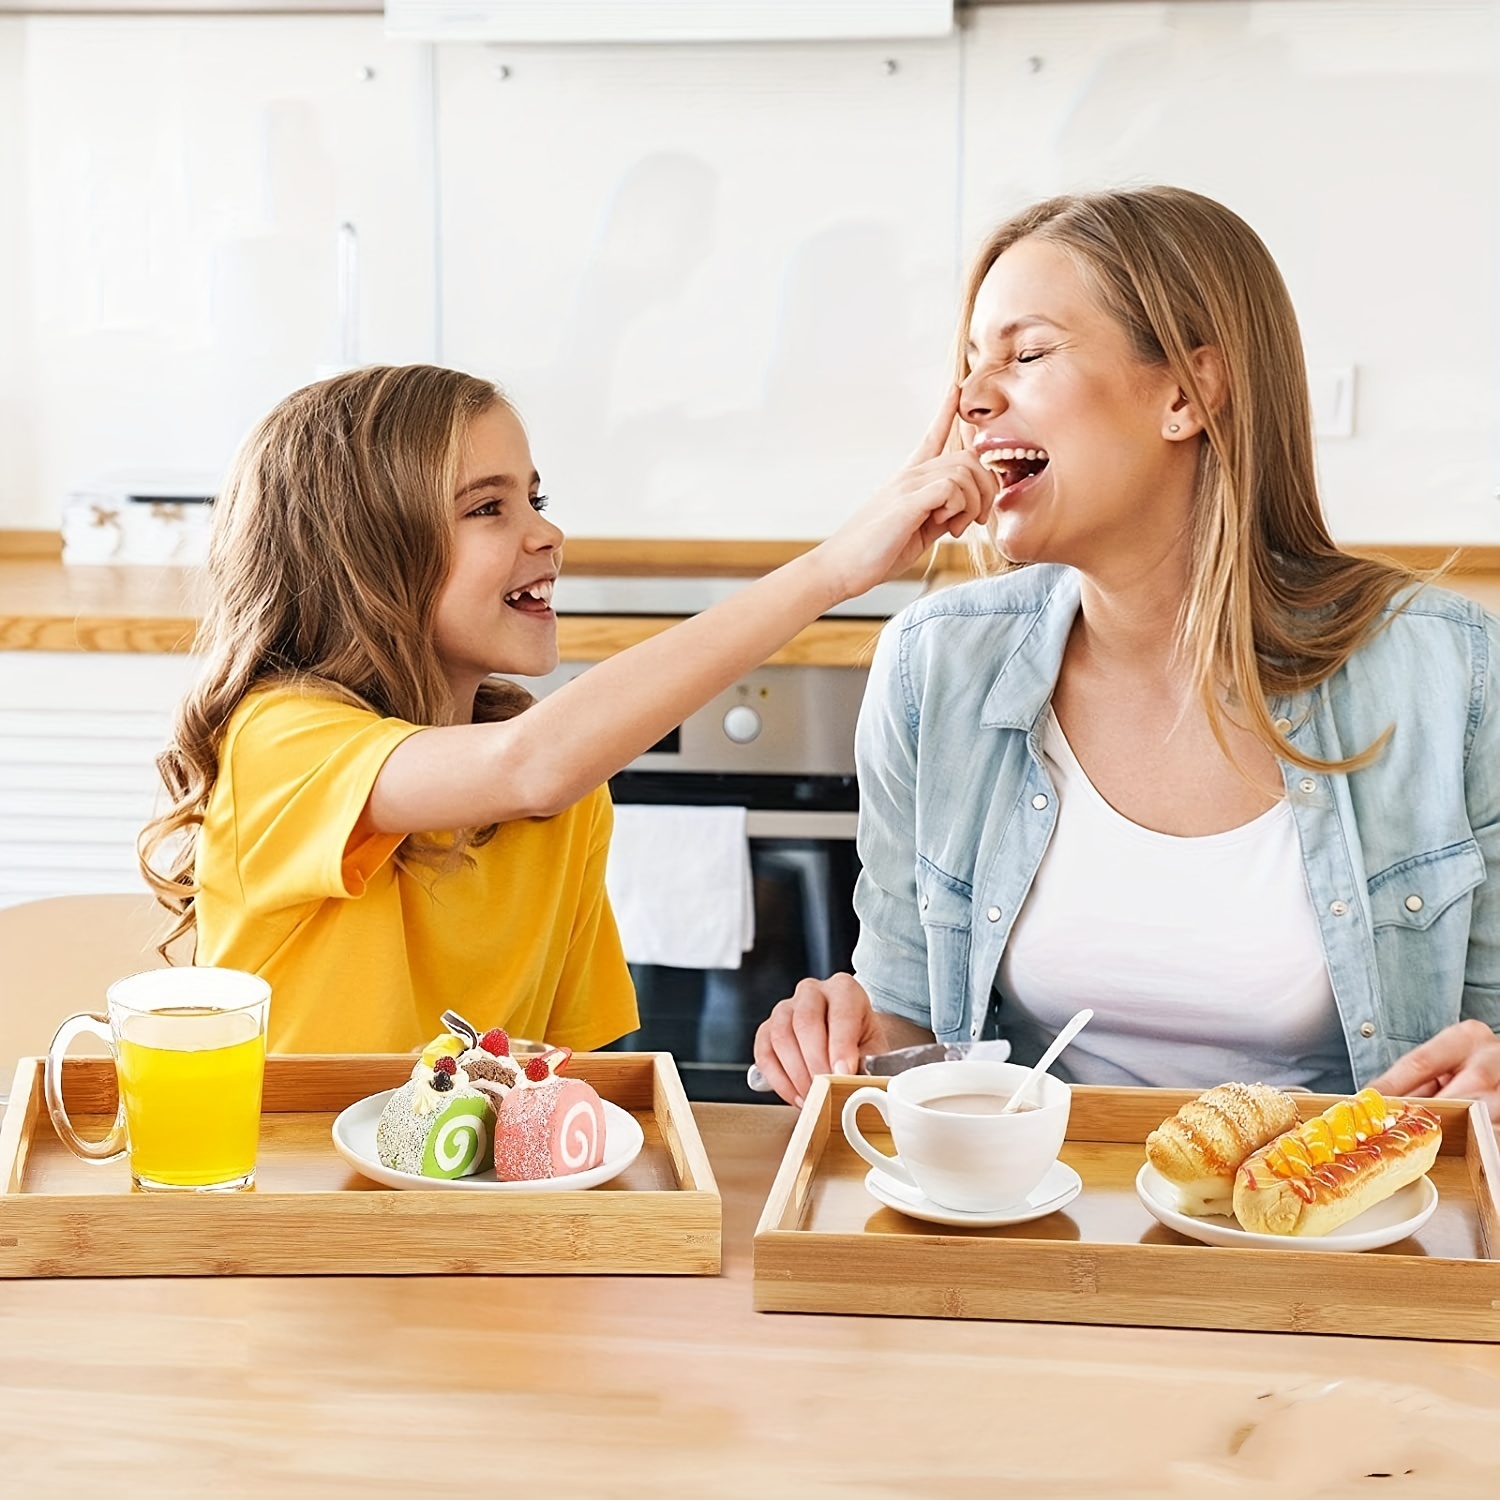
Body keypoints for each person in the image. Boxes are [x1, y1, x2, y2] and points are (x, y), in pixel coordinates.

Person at [752, 185, 1500, 1118]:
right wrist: (853, 1039)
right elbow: (912, 1026)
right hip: (1042, 1227)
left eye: (1026, 354)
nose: (970, 402)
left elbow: (1487, 1043)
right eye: (969, 366)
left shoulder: (1449, 673)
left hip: (1331, 1235)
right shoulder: (933, 666)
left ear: (1187, 393)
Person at [138, 364, 995, 1053]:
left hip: (477, 1224)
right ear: (363, 560)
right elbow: (528, 764)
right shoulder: (281, 741)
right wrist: (832, 572)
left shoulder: (564, 799)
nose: (545, 535)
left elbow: (558, 1076)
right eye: (487, 508)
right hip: (292, 1213)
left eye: (535, 500)